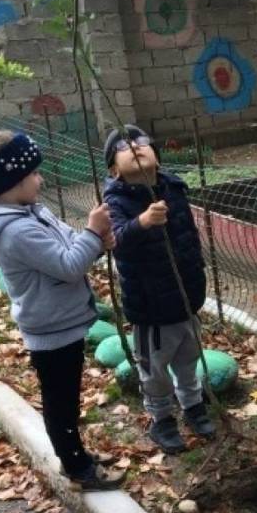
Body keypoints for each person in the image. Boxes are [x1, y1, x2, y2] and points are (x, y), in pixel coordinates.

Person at [0, 121, 120, 490]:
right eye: (33, 174)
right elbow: (69, 265)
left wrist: (94, 241)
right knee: (61, 404)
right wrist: (92, 233)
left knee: (67, 398)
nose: (40, 180)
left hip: (60, 321)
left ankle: (76, 455)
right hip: (51, 329)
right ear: (8, 182)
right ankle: (77, 469)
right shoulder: (16, 231)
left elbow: (68, 240)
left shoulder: (29, 211)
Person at [103, 125, 213, 454]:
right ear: (113, 169)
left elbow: (188, 237)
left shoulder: (174, 188)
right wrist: (142, 223)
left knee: (188, 357)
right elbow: (118, 242)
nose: (135, 146)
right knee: (154, 368)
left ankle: (193, 405)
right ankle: (161, 417)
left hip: (185, 296)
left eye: (142, 142)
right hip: (150, 305)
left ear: (157, 157)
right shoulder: (116, 202)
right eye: (124, 146)